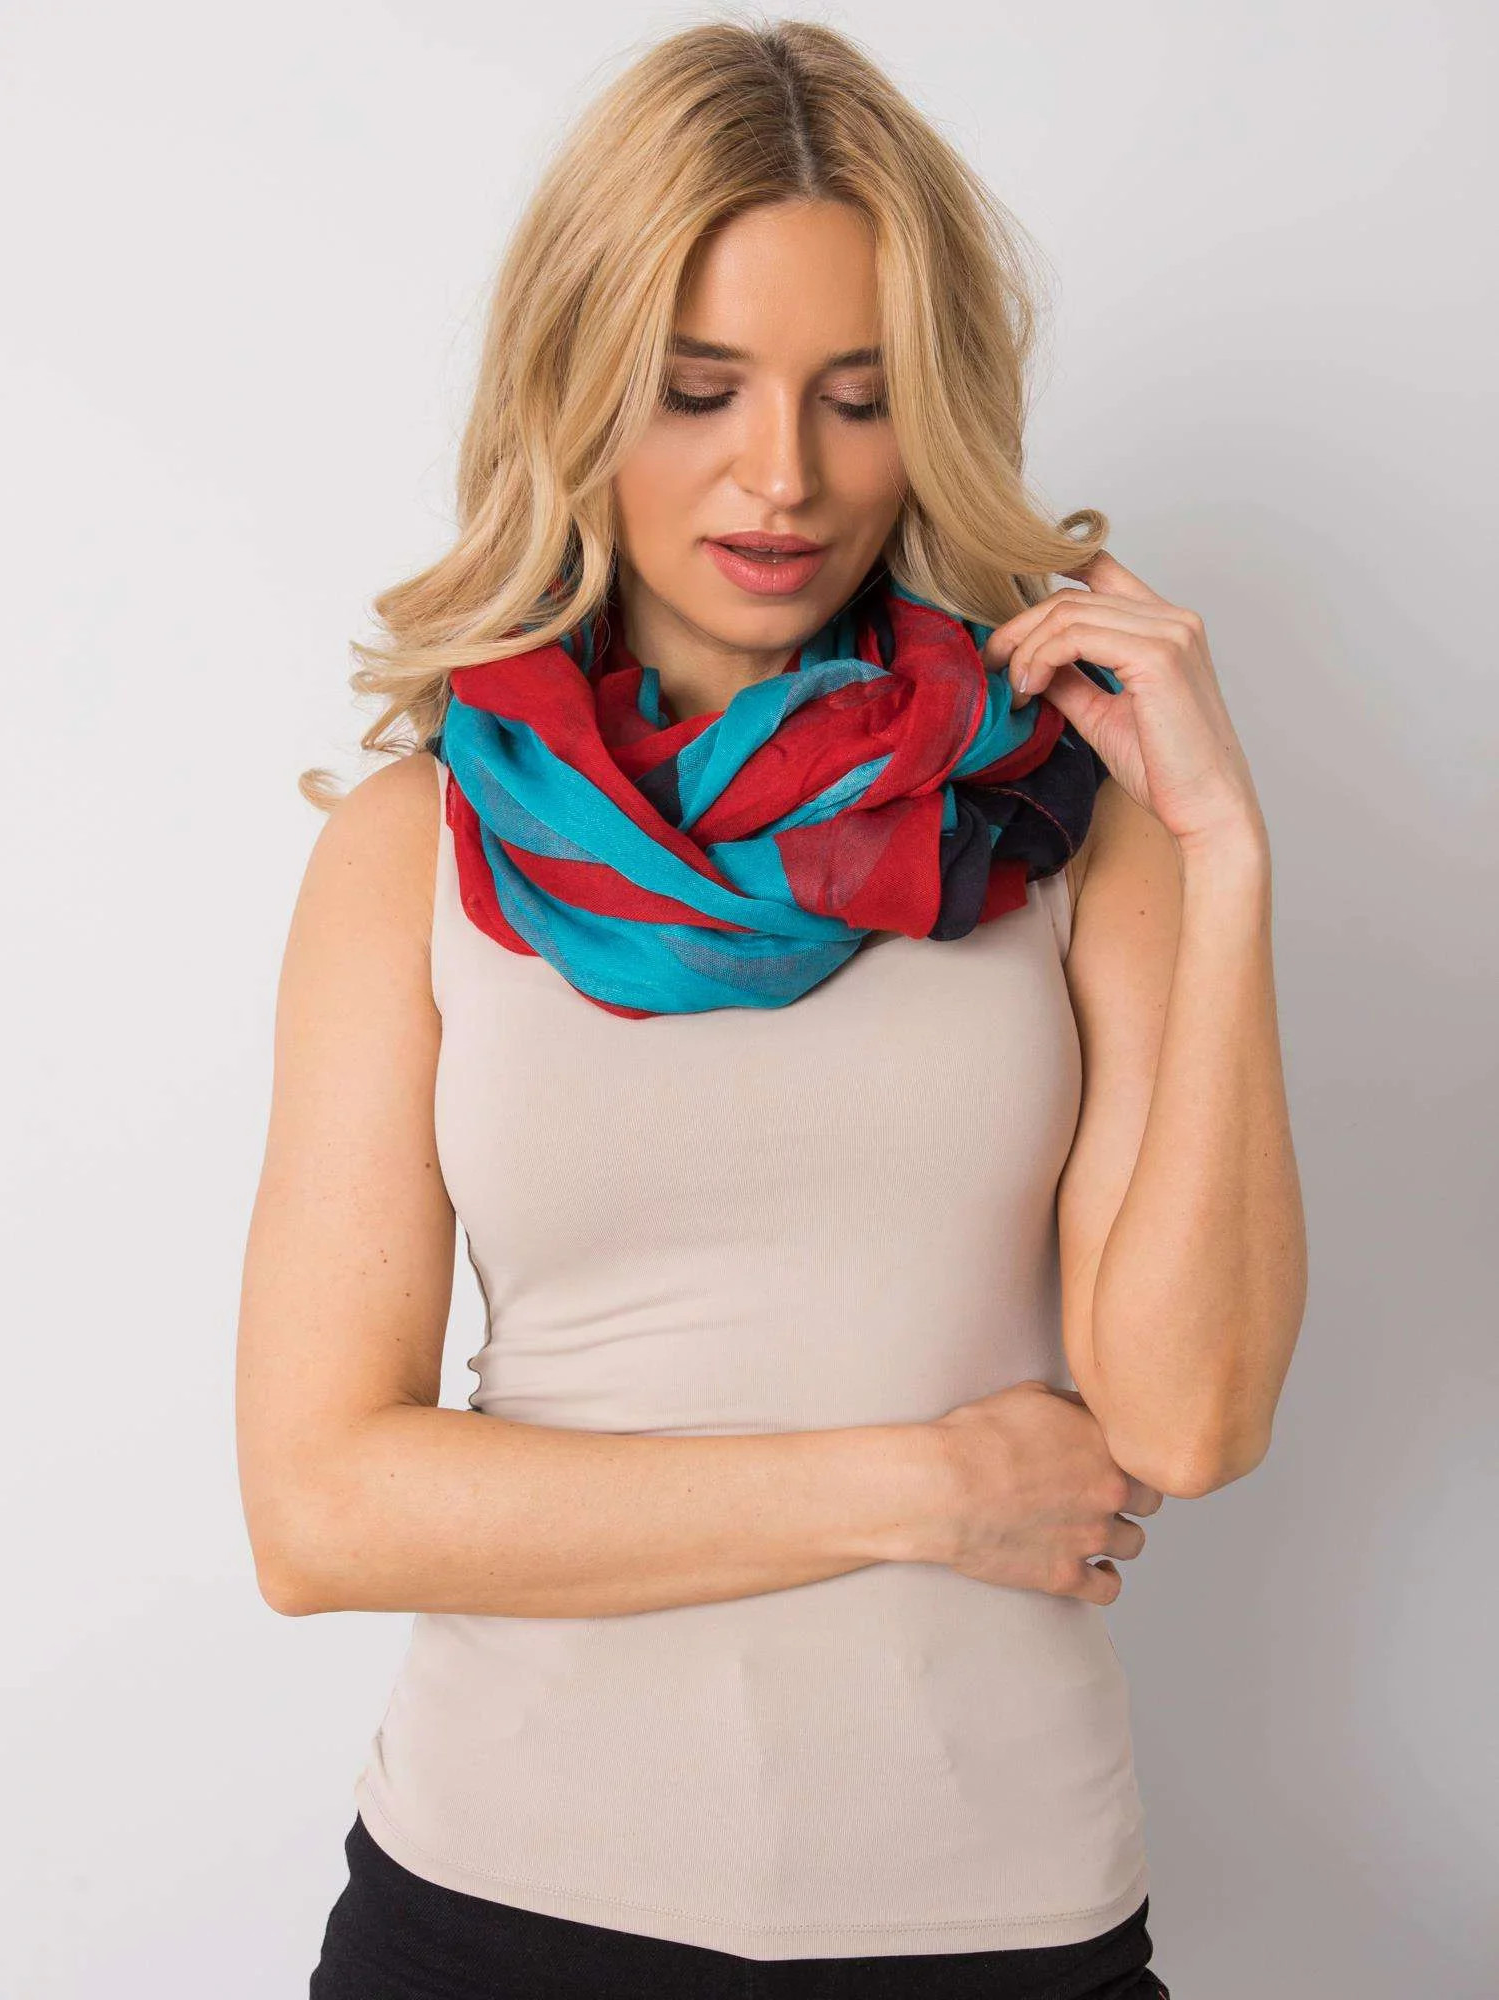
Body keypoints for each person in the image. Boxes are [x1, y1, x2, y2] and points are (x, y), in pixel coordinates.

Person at [235, 18, 1306, 1998]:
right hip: (496, 1917)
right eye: (698, 388)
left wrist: (1225, 852)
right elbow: (319, 1508)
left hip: (1004, 1925)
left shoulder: (1062, 828)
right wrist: (923, 1490)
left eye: (859, 397)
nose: (783, 474)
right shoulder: (417, 850)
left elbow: (1188, 1414)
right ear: (577, 385)